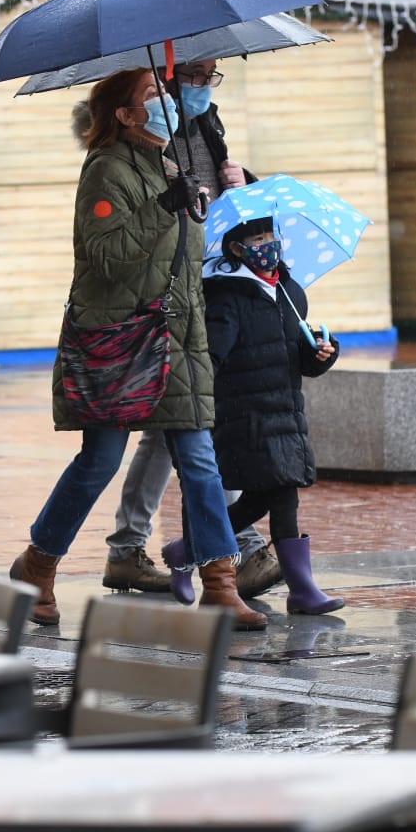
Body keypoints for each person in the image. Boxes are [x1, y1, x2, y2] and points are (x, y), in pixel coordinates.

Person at [10, 67, 266, 631]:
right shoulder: (106, 170)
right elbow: (106, 255)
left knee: (200, 459)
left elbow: (183, 261)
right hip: (124, 341)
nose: (167, 103)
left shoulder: (171, 164)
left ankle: (221, 583)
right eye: (153, 96)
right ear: (125, 115)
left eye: (164, 93)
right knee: (99, 461)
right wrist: (162, 208)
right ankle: (38, 564)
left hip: (178, 338)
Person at [100, 58, 286, 600]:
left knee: (177, 425)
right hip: (171, 295)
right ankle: (235, 551)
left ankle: (131, 548)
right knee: (188, 423)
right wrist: (173, 199)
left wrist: (241, 182)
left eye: (212, 76)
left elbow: (219, 211)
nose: (205, 85)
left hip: (206, 282)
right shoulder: (139, 146)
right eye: (195, 75)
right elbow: (129, 233)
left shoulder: (205, 124)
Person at [161, 216, 344, 615]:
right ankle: (302, 588)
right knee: (282, 493)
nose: (268, 245)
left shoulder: (290, 292)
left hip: (286, 412)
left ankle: (185, 549)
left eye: (271, 236)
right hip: (245, 416)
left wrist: (321, 352)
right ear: (236, 250)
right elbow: (211, 360)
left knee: (261, 499)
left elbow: (300, 358)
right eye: (257, 239)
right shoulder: (227, 298)